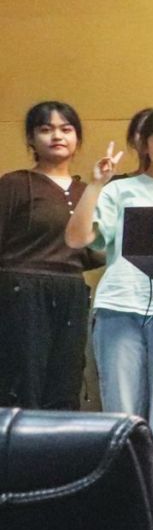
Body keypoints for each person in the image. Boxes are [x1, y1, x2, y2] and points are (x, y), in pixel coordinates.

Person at [67, 108, 153, 429]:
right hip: (120, 305)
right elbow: (77, 239)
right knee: (121, 412)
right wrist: (95, 185)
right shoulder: (119, 190)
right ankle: (126, 464)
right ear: (144, 143)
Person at [0, 102, 94, 411]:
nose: (57, 136)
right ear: (31, 139)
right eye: (46, 129)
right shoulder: (14, 184)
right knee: (21, 380)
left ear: (77, 138)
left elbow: (94, 252)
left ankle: (59, 443)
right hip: (21, 290)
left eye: (66, 129)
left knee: (66, 381)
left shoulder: (86, 190)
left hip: (71, 289)